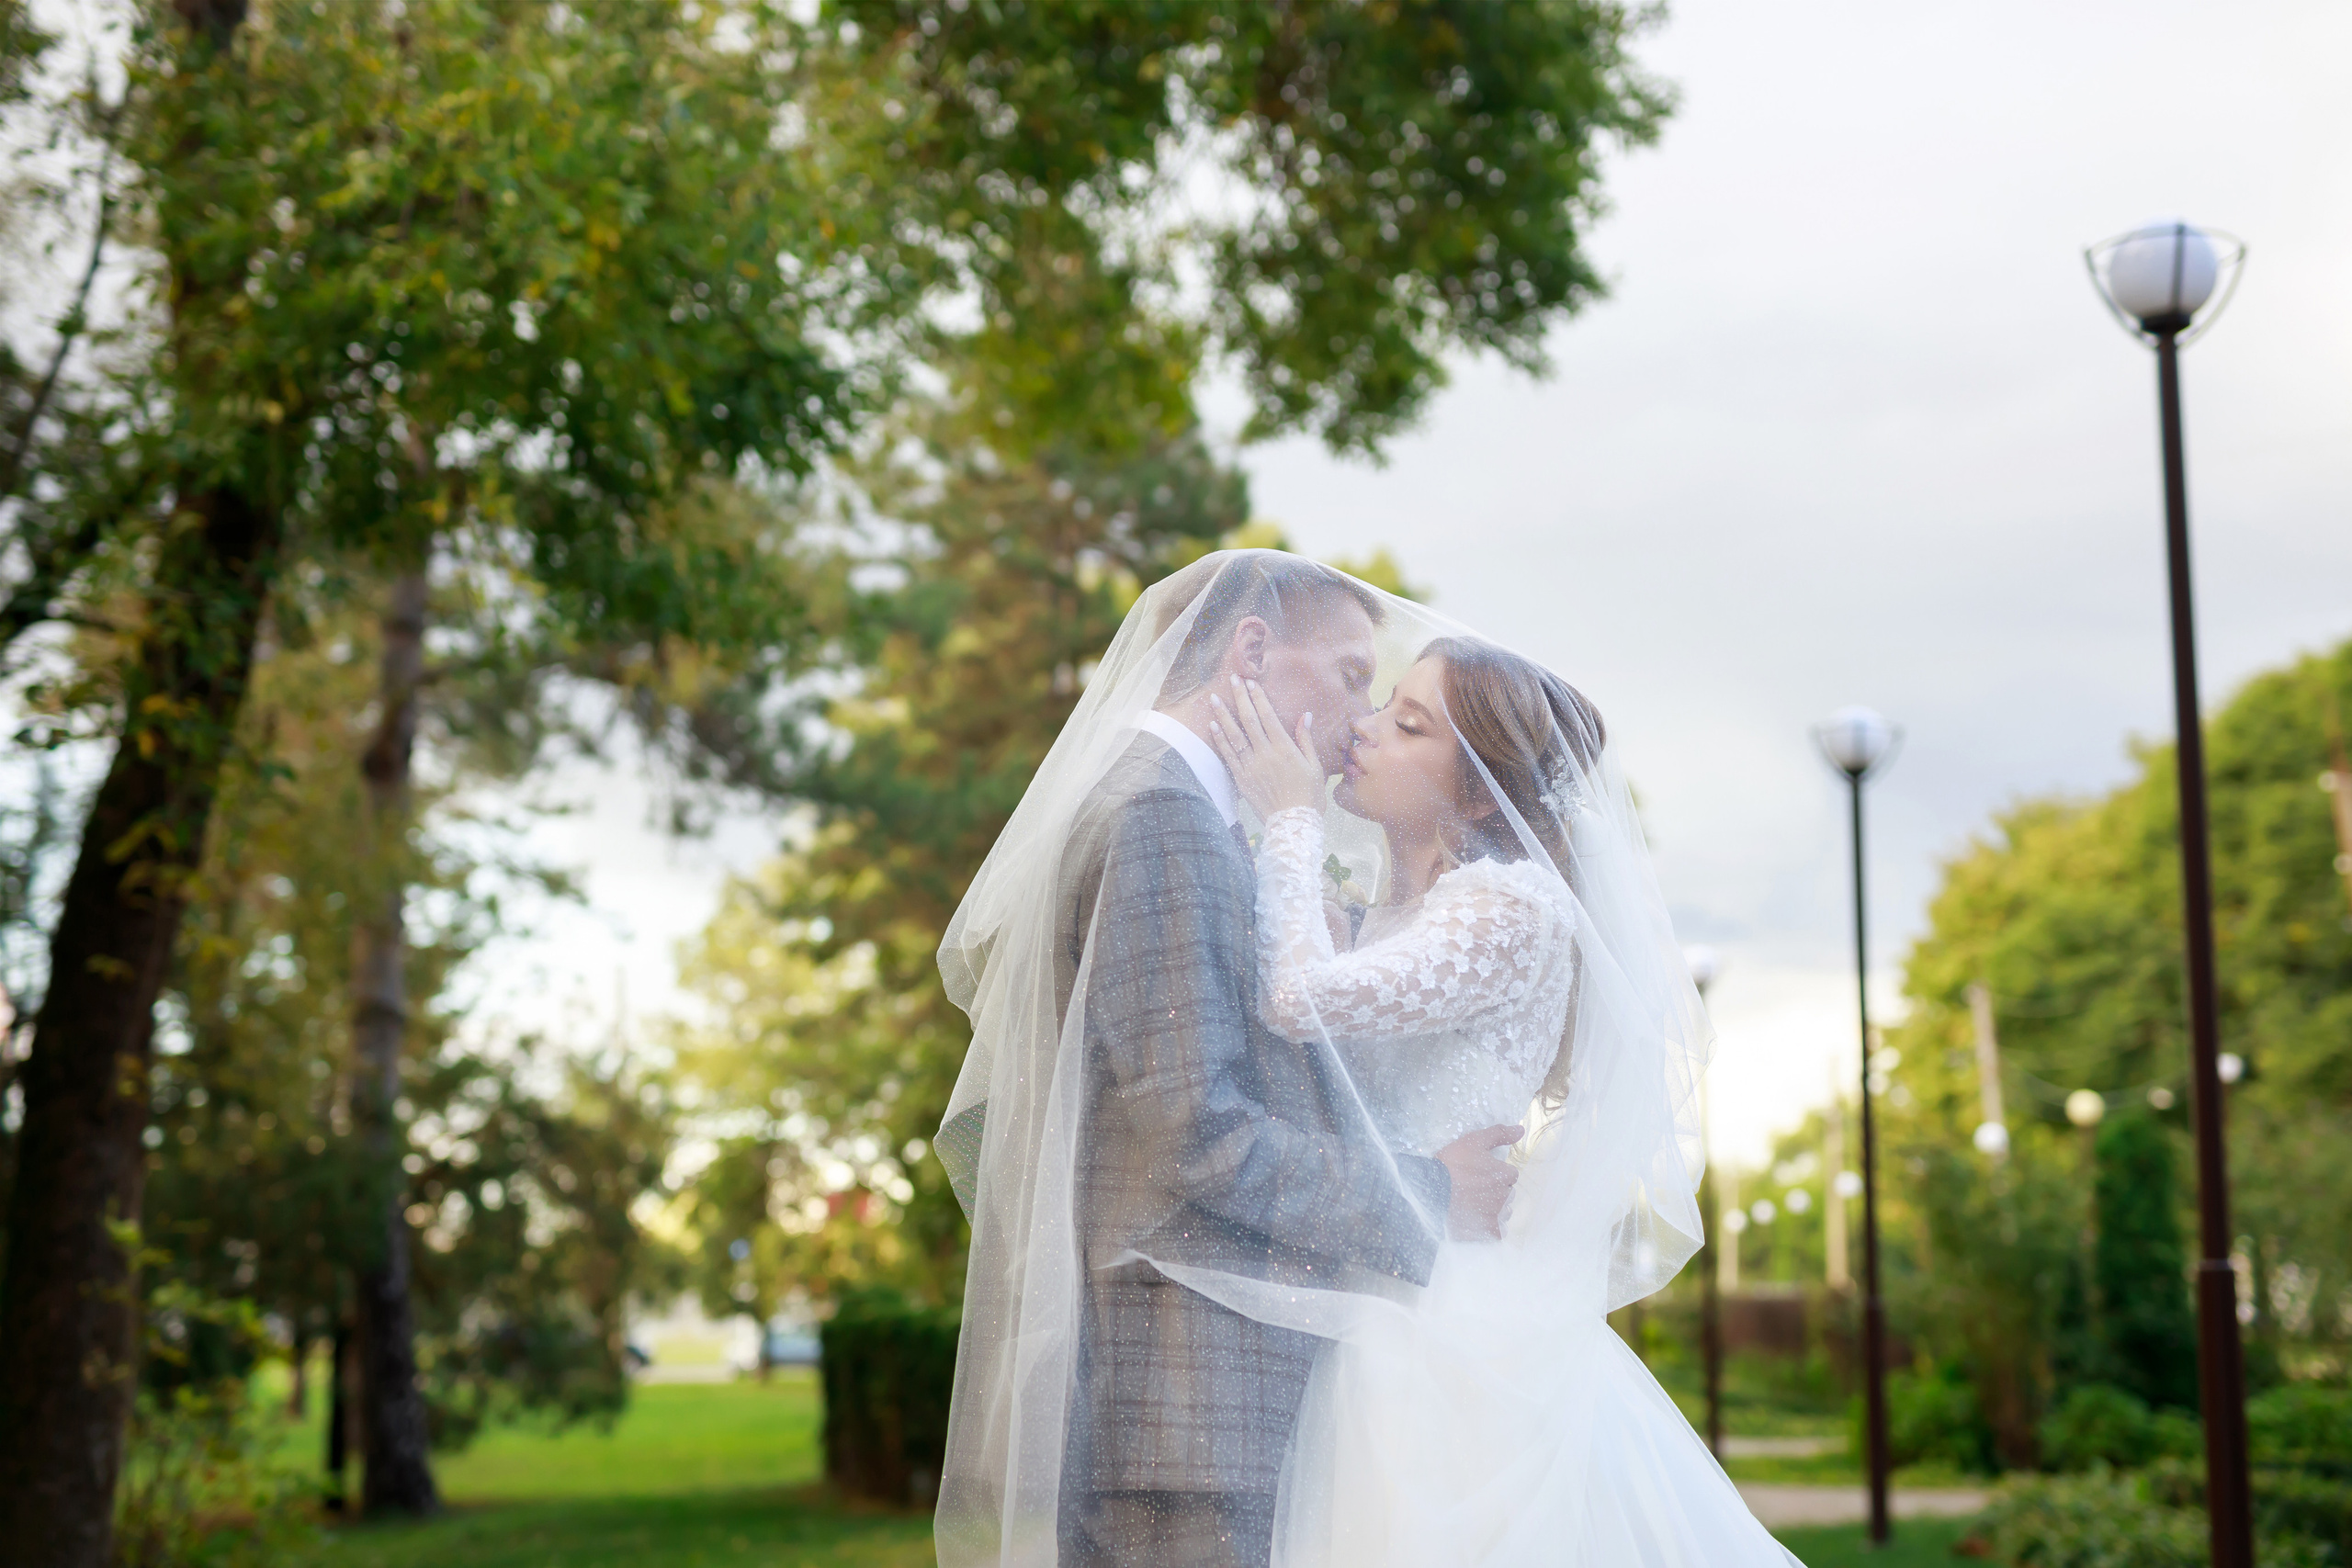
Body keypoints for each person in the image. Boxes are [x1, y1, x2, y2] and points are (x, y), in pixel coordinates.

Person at [932, 551, 1793, 1567]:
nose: (1359, 723)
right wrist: (1431, 1191)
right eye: (1355, 680)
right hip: (1209, 1376)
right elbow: (1201, 1128)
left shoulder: (1479, 901)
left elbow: (1279, 1032)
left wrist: (1292, 827)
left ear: (1480, 795)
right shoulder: (1164, 814)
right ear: (1250, 649)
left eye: (1401, 715)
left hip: (1360, 1347)